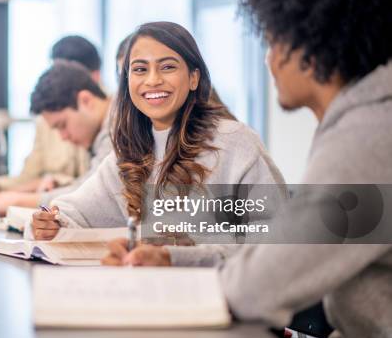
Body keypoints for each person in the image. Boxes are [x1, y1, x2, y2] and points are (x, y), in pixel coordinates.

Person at [104, 0, 392, 338]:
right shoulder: (367, 124)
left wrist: (172, 277)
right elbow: (279, 252)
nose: (269, 61)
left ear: (309, 48)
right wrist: (173, 258)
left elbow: (265, 280)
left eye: (273, 44)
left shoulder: (367, 141)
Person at [31, 22, 285, 268]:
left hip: (221, 300)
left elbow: (276, 239)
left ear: (194, 78)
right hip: (152, 296)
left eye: (167, 67)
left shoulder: (235, 143)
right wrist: (53, 220)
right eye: (140, 69)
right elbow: (77, 210)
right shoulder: (130, 151)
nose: (152, 80)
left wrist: (174, 257)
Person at [0, 35, 103, 197]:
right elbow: (28, 177)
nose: (57, 84)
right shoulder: (47, 120)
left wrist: (54, 182)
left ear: (93, 79)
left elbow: (94, 190)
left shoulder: (112, 123)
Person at [0, 60, 114, 215]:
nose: (63, 137)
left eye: (63, 125)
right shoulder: (102, 129)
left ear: (86, 100)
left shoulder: (119, 126)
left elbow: (91, 193)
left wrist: (22, 202)